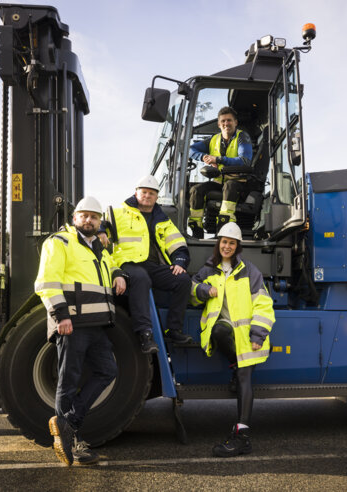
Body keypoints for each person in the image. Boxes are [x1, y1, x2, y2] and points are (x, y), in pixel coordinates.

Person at [34, 196, 127, 467]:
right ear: (74, 218)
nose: (89, 220)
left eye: (94, 217)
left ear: (99, 222)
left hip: (96, 325)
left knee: (108, 371)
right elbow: (46, 282)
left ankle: (68, 425)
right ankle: (70, 442)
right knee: (69, 380)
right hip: (72, 324)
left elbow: (110, 267)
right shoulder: (59, 242)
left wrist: (119, 273)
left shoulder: (99, 248)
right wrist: (61, 316)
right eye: (84, 215)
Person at [190, 222, 275, 457]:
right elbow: (192, 289)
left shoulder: (249, 270)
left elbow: (264, 304)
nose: (227, 246)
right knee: (218, 333)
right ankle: (235, 364)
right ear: (219, 244)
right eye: (224, 242)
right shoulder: (209, 268)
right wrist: (204, 292)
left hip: (248, 337)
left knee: (245, 377)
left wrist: (258, 335)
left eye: (232, 243)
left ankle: (242, 436)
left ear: (238, 247)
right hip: (226, 329)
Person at [108, 175, 193, 353]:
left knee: (183, 280)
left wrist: (179, 261)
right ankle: (145, 334)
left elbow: (178, 244)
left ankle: (173, 330)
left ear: (156, 197)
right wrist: (101, 229)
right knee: (141, 278)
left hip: (153, 265)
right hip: (128, 262)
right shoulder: (117, 213)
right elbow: (98, 225)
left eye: (152, 193)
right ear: (136, 193)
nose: (147, 196)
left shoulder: (162, 219)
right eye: (144, 192)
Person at [188, 106, 254, 238]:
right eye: (223, 121)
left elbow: (245, 161)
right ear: (218, 124)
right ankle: (197, 229)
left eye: (229, 120)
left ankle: (224, 225)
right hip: (219, 182)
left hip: (238, 184)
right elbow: (190, 150)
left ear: (235, 122)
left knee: (230, 186)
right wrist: (204, 157)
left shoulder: (242, 137)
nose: (226, 124)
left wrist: (218, 159)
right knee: (196, 190)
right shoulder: (214, 140)